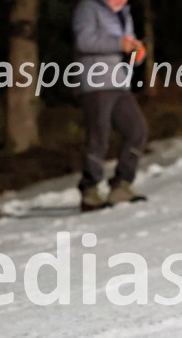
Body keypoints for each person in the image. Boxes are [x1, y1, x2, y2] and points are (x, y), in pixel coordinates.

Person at [72, 0, 148, 211]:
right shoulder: (88, 7)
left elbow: (127, 45)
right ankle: (90, 190)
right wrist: (118, 43)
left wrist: (136, 53)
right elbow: (83, 41)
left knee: (137, 131)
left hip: (120, 82)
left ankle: (121, 185)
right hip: (95, 82)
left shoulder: (125, 12)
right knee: (99, 136)